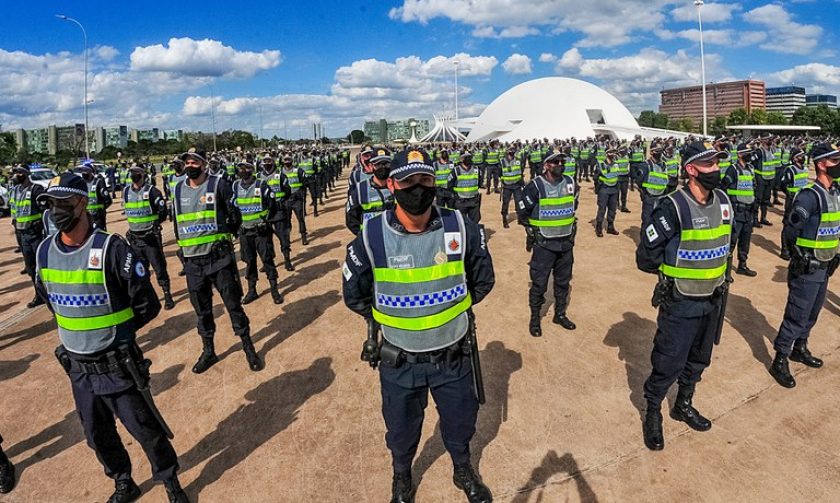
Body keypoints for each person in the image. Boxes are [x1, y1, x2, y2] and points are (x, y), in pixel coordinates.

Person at [342, 148, 495, 503]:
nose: (418, 189)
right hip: (401, 361)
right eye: (409, 181)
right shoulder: (372, 234)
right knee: (401, 430)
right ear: (393, 184)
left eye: (425, 180)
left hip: (453, 356)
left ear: (435, 182)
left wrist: (450, 309)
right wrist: (393, 318)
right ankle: (401, 477)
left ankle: (462, 468)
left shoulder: (460, 226)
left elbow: (482, 279)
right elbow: (355, 294)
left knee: (460, 423)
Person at [34, 172, 188, 503]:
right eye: (50, 204)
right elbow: (51, 299)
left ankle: (170, 481)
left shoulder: (112, 249)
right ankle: (123, 481)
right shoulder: (44, 252)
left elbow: (147, 305)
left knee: (146, 431)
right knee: (96, 434)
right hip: (79, 368)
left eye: (62, 203)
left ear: (82, 203)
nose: (55, 210)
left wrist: (115, 336)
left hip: (116, 365)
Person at [635, 142, 731, 451]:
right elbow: (646, 256)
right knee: (669, 359)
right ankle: (653, 411)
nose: (715, 170)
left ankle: (683, 404)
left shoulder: (724, 202)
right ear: (691, 170)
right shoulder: (672, 206)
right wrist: (671, 276)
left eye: (717, 163)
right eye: (709, 165)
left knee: (699, 359)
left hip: (713, 297)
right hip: (681, 300)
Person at [173, 148, 264, 374]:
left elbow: (235, 216)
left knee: (233, 305)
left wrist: (224, 238)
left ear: (204, 164)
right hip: (193, 262)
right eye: (187, 162)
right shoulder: (177, 190)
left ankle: (248, 347)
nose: (190, 166)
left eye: (195, 162)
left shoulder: (218, 185)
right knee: (202, 311)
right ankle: (208, 351)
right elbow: (176, 223)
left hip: (219, 258)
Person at [769, 143, 840, 389]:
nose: (838, 164)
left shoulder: (835, 192)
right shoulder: (810, 196)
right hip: (808, 266)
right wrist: (797, 255)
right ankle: (780, 359)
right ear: (821, 164)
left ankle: (800, 347)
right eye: (834, 160)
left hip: (825, 264)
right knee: (797, 314)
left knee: (813, 312)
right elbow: (791, 229)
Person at [518, 151, 578, 337]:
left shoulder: (571, 183)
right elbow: (522, 211)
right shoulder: (535, 186)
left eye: (562, 161)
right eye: (554, 162)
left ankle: (560, 314)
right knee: (539, 284)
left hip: (566, 243)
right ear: (545, 165)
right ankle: (535, 318)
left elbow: (573, 206)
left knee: (563, 282)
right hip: (544, 244)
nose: (560, 164)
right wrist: (531, 232)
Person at [123, 166, 175, 310]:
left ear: (143, 176)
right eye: (132, 174)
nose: (134, 176)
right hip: (135, 238)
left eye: (137, 174)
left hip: (150, 237)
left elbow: (162, 210)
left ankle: (167, 294)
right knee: (140, 271)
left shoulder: (152, 191)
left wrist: (156, 224)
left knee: (159, 267)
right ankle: (146, 297)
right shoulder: (126, 191)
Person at [232, 161, 284, 305]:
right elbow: (233, 207)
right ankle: (252, 290)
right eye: (241, 168)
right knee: (249, 261)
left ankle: (274, 290)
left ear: (251, 169)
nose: (243, 170)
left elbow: (272, 204)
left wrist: (265, 220)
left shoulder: (261, 184)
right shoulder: (236, 185)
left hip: (261, 231)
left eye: (246, 168)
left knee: (267, 259)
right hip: (245, 231)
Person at [9, 165, 45, 308]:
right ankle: (39, 295)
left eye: (17, 173)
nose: (14, 176)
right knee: (30, 268)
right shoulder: (14, 191)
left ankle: (49, 293)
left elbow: (45, 211)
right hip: (22, 235)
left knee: (42, 267)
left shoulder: (36, 190)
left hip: (36, 234)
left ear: (24, 174)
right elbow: (14, 211)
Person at [722, 143, 758, 277]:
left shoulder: (751, 169)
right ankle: (726, 271)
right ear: (739, 154)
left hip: (748, 211)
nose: (749, 155)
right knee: (731, 242)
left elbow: (753, 188)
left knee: (745, 241)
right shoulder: (732, 170)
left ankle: (742, 265)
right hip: (737, 211)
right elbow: (724, 187)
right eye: (746, 152)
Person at [345, 148, 394, 235]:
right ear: (371, 166)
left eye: (386, 164)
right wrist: (364, 235)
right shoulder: (360, 189)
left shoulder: (399, 187)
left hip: (394, 240)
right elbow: (351, 219)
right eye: (378, 164)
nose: (383, 167)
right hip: (369, 239)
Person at [778, 147, 810, 260]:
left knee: (800, 224)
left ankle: (795, 249)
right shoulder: (790, 170)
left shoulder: (805, 169)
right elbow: (782, 184)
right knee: (788, 224)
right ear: (795, 158)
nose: (803, 158)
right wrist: (789, 194)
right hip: (792, 201)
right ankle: (785, 250)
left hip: (802, 201)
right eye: (801, 156)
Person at [276, 153, 308, 253]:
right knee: (286, 221)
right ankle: (288, 238)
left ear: (292, 161)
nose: (287, 162)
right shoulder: (280, 172)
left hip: (297, 198)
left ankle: (303, 236)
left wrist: (301, 193)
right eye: (285, 160)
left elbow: (304, 182)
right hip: (286, 200)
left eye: (289, 160)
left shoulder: (298, 170)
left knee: (301, 219)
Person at [635, 145, 668, 230]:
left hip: (661, 196)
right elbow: (639, 181)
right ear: (651, 152)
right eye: (657, 151)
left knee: (658, 220)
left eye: (660, 151)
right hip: (649, 196)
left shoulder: (663, 165)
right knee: (647, 220)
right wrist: (643, 192)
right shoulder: (645, 165)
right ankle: (644, 241)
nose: (659, 153)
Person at [593, 148, 621, 237]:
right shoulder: (600, 164)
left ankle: (610, 227)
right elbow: (595, 177)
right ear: (606, 153)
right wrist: (598, 188)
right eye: (610, 152)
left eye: (613, 152)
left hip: (614, 189)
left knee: (613, 209)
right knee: (602, 209)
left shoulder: (616, 164)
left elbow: (617, 175)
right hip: (604, 189)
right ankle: (599, 227)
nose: (612, 154)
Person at [448, 153, 482, 223]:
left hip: (473, 200)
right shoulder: (456, 170)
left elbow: (479, 183)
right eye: (466, 157)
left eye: (469, 157)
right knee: (461, 222)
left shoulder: (476, 169)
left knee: (475, 222)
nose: (468, 159)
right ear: (461, 159)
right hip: (460, 201)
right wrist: (455, 196)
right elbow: (450, 185)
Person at [80, 163, 112, 231]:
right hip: (86, 217)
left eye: (86, 170)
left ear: (91, 172)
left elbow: (108, 200)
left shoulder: (98, 182)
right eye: (82, 171)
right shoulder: (81, 184)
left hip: (98, 217)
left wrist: (101, 210)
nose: (84, 173)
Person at [500, 149, 525, 229]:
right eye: (510, 152)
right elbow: (499, 172)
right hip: (507, 186)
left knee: (519, 202)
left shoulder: (518, 160)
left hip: (517, 185)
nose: (511, 153)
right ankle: (504, 220)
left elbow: (520, 171)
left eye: (513, 152)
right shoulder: (502, 161)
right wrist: (503, 180)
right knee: (505, 203)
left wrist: (521, 182)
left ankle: (520, 218)